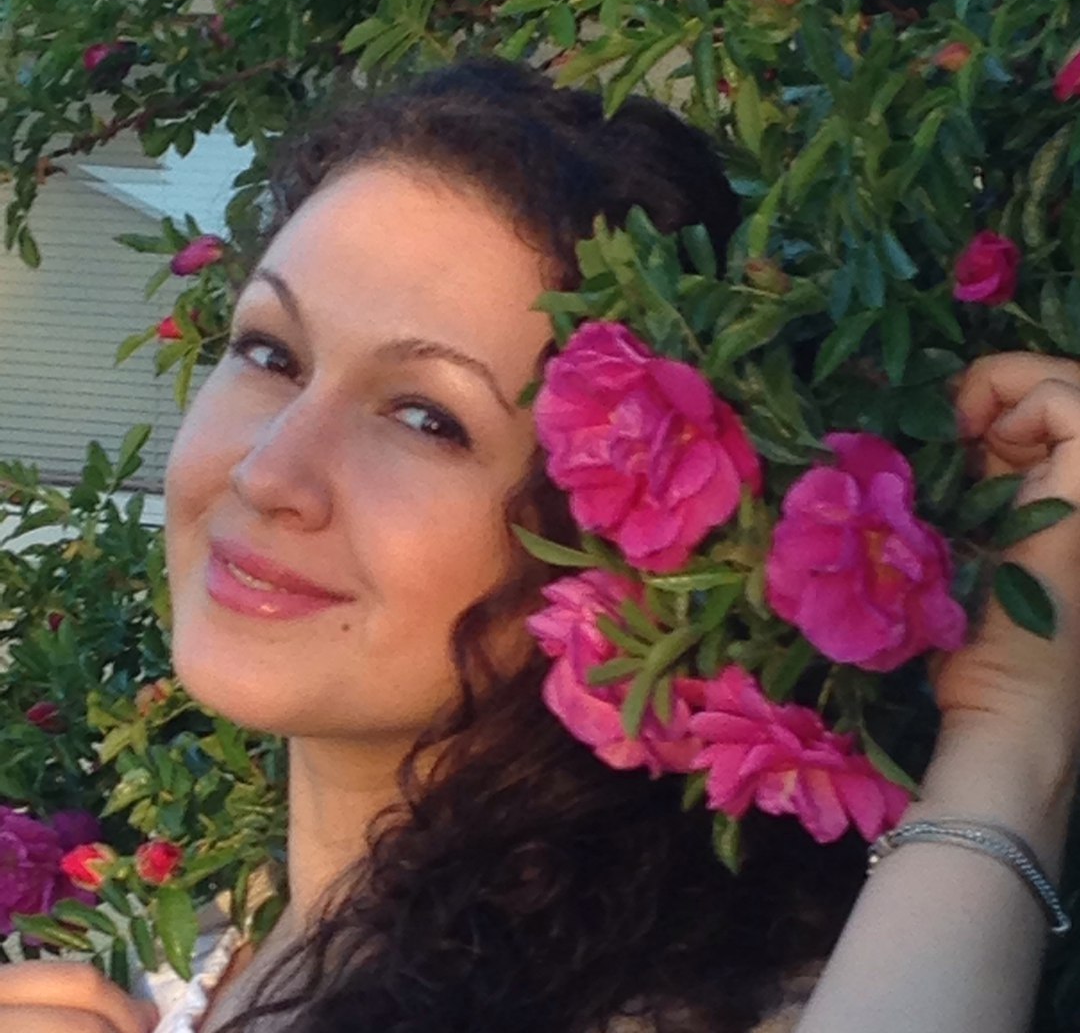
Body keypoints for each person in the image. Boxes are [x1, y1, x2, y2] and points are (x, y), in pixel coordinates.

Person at [2, 59, 1080, 1033]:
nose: (268, 474)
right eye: (270, 353)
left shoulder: (694, 1008)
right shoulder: (206, 955)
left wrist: (1011, 728)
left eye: (427, 417)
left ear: (633, 548)